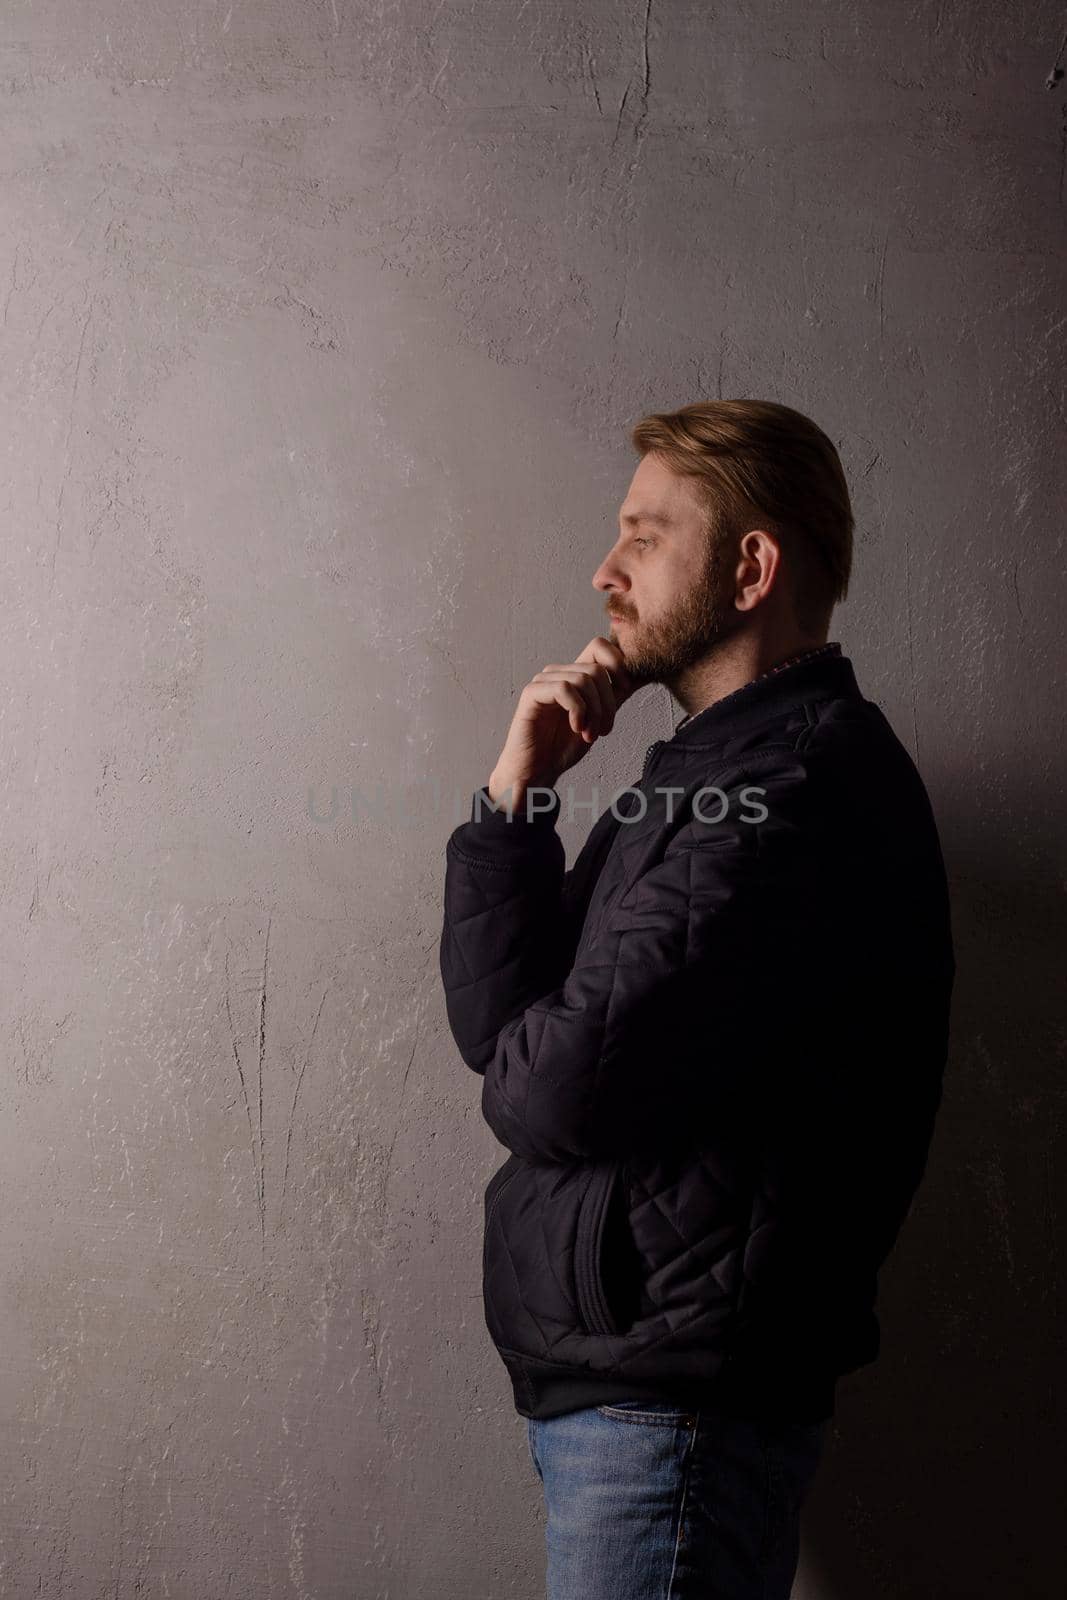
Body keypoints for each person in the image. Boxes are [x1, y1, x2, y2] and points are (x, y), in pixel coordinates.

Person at [438, 399, 955, 1598]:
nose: (602, 570)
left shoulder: (791, 794)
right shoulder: (706, 775)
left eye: (643, 535)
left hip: (670, 1424)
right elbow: (495, 1030)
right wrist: (514, 796)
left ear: (749, 566)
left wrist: (529, 1059)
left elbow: (544, 1089)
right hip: (632, 1407)